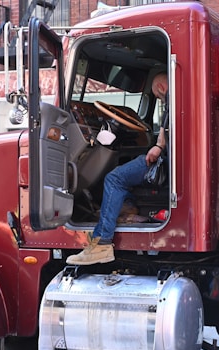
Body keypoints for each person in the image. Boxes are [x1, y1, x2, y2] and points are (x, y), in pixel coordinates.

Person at [66, 72, 169, 265]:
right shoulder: (176, 100)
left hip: (163, 162)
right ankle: (128, 211)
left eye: (156, 95)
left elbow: (162, 139)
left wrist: (158, 147)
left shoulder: (171, 100)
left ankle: (102, 243)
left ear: (162, 88)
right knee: (124, 171)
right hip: (168, 160)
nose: (159, 99)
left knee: (114, 179)